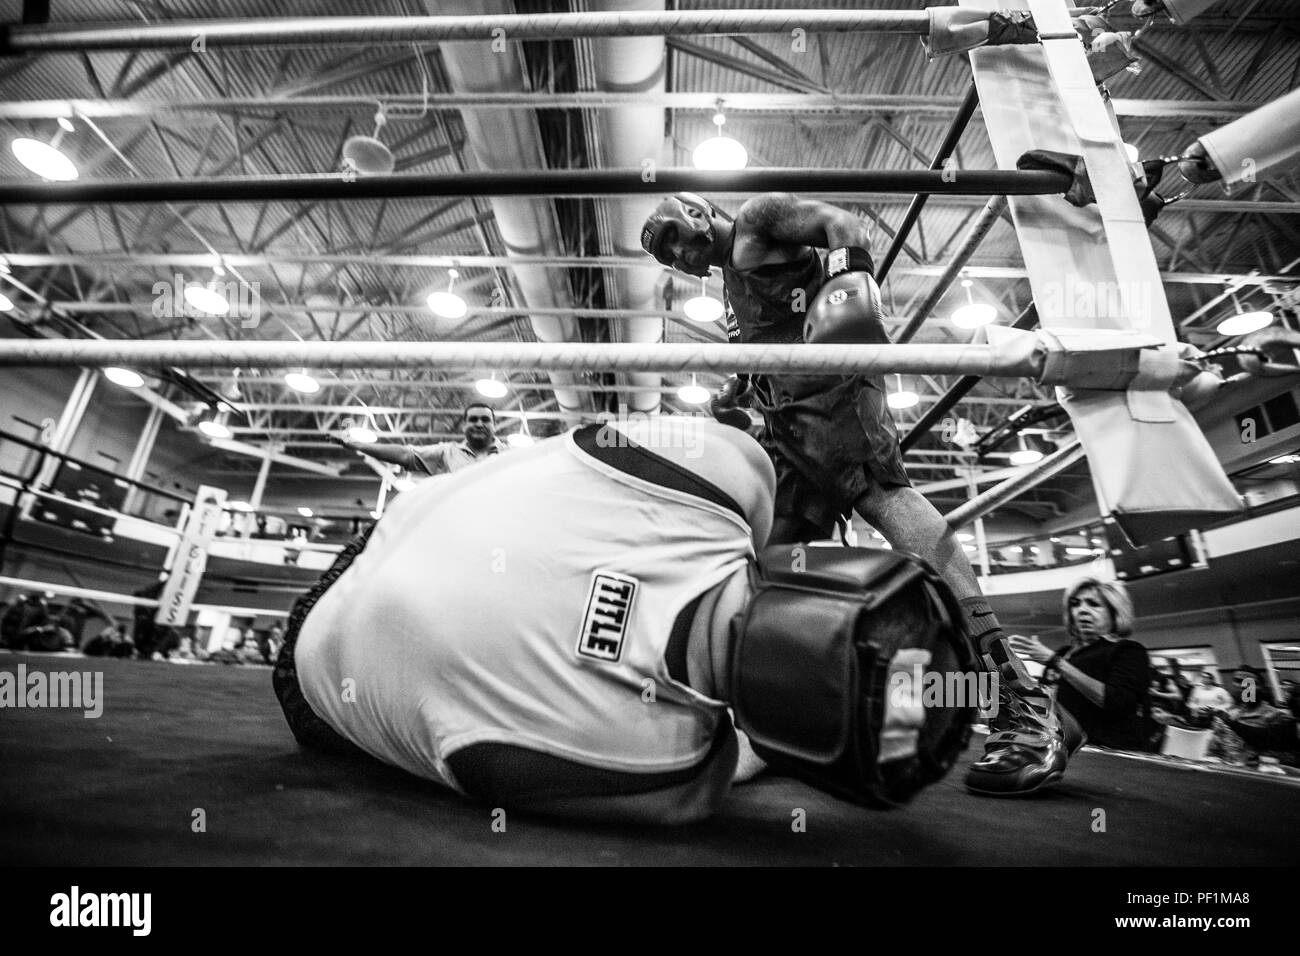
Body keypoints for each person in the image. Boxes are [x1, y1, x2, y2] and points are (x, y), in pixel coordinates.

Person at [273, 418, 976, 824]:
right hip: (314, 662)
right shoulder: (668, 779)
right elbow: (742, 755)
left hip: (407, 516)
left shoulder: (726, 471)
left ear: (833, 573)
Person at [641, 191, 1070, 796]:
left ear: (695, 211)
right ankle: (758, 723)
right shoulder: (735, 275)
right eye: (670, 257)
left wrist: (848, 302)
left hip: (838, 400)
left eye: (676, 240)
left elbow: (841, 224)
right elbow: (775, 336)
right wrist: (741, 386)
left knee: (890, 506)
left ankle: (1021, 702)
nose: (681, 257)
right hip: (791, 432)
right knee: (766, 562)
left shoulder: (758, 221)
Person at [1008, 578, 1152, 751]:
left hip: (1110, 752)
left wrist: (1056, 662)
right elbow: (1049, 703)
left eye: (1093, 604)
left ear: (1114, 612)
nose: (1082, 610)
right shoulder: (1063, 653)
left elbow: (1115, 701)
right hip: (1062, 749)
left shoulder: (1128, 650)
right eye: (1075, 604)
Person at [329, 403, 504, 477]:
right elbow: (406, 454)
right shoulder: (447, 452)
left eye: (485, 420)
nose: (479, 424)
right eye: (473, 420)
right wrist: (358, 445)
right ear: (464, 426)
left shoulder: (511, 455)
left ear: (494, 426)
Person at [1206, 666, 1300, 768]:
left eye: (1250, 683)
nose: (1244, 686)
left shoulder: (1278, 717)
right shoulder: (1225, 716)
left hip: (1262, 778)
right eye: (1238, 681)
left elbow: (1290, 758)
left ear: (1262, 687)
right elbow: (1213, 751)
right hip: (1227, 775)